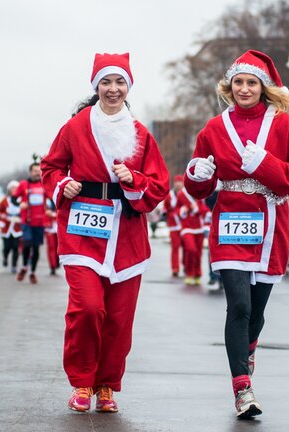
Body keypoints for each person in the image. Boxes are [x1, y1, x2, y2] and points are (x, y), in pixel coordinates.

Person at [184, 50, 289, 419]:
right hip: (229, 223)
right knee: (238, 306)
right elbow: (198, 188)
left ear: (263, 87)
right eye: (238, 82)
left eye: (251, 83)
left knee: (255, 312)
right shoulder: (213, 128)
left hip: (271, 225)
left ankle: (249, 344)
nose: (244, 89)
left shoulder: (286, 127)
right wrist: (198, 174)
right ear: (230, 86)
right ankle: (242, 387)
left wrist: (264, 164)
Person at [41, 52, 169, 413]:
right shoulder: (76, 127)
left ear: (129, 87)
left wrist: (136, 181)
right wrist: (62, 184)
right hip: (82, 231)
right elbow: (51, 167)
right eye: (106, 82)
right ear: (95, 85)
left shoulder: (141, 134)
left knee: (119, 318)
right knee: (87, 309)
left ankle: (107, 385)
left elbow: (159, 185)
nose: (113, 89)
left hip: (126, 235)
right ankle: (82, 381)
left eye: (120, 82)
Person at [16, 162, 47, 284]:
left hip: (39, 222)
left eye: (39, 170)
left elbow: (51, 198)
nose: (37, 173)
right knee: (27, 245)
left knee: (36, 248)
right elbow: (13, 198)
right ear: (30, 172)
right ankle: (24, 266)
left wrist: (49, 209)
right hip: (27, 221)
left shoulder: (44, 184)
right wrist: (20, 204)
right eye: (35, 170)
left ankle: (32, 272)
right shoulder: (23, 184)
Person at [177, 186, 206, 286]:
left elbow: (205, 209)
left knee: (198, 252)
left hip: (199, 227)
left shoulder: (201, 192)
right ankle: (189, 273)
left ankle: (197, 274)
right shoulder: (181, 194)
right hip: (186, 227)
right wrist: (182, 210)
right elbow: (175, 208)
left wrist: (197, 209)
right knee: (190, 249)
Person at [0, 180, 23, 273]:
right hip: (6, 227)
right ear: (9, 189)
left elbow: (25, 211)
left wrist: (21, 217)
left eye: (16, 188)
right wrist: (2, 216)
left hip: (17, 227)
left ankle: (14, 266)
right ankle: (5, 257)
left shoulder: (21, 200)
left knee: (16, 247)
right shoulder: (4, 200)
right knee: (7, 247)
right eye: (12, 188)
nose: (14, 189)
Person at [163, 175, 185, 277]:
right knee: (175, 247)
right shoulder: (170, 195)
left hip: (185, 224)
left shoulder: (186, 194)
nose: (178, 184)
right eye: (176, 182)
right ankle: (175, 268)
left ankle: (186, 266)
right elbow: (165, 207)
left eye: (180, 182)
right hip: (173, 224)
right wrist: (165, 214)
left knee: (187, 247)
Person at [44, 196, 60, 276]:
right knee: (51, 247)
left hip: (59, 227)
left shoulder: (59, 195)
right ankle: (52, 266)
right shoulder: (45, 199)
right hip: (49, 227)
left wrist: (53, 215)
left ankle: (56, 263)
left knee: (59, 247)